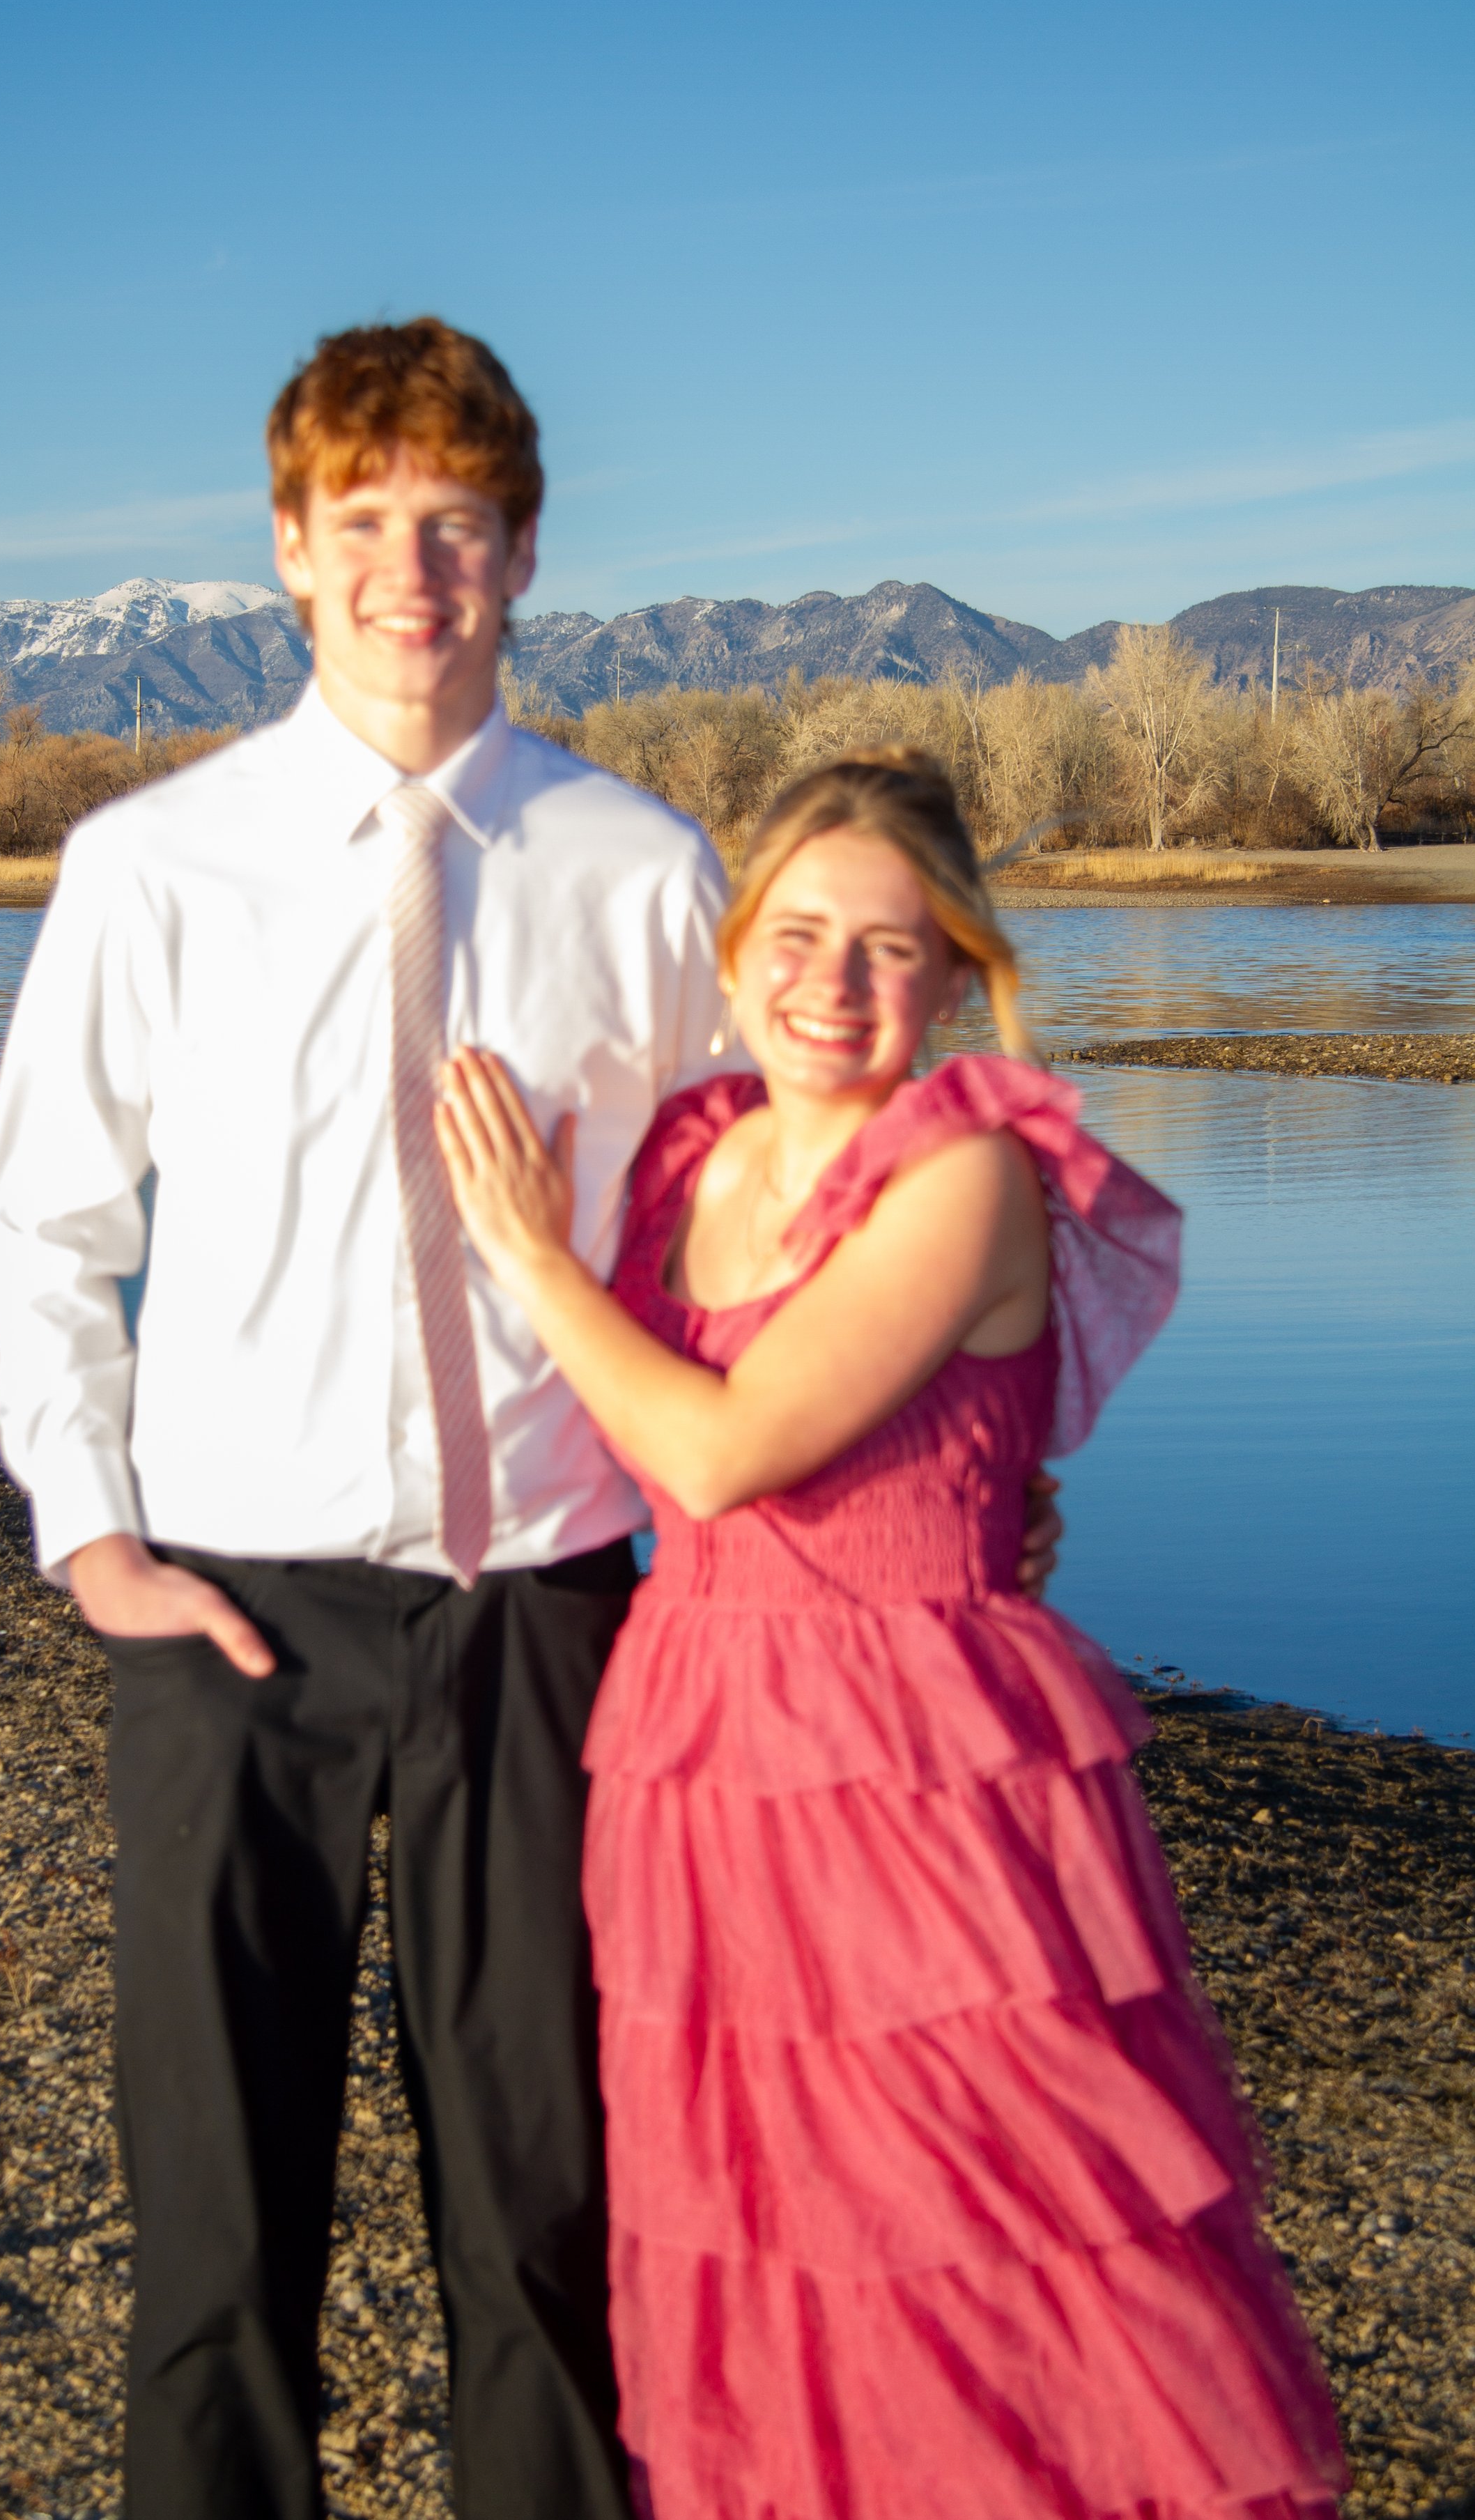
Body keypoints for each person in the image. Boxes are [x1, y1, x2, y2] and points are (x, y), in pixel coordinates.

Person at [0, 315, 1065, 2520]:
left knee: (548, 2216)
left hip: (554, 1618)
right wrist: (97, 1540)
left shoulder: (638, 867)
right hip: (232, 1615)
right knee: (215, 2217)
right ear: (286, 551)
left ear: (523, 550)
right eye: (362, 523)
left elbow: (772, 1203)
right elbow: (43, 1217)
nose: (411, 570)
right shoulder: (150, 862)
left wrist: (959, 1460)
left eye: (454, 524)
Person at [436, 748, 1345, 2520]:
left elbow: (712, 1446)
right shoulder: (695, 1151)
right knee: (765, 2204)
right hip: (694, 1734)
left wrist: (523, 1258)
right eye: (793, 935)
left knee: (973, 2188)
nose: (830, 986)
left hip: (916, 1754)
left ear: (953, 972)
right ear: (734, 947)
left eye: (887, 946)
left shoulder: (960, 1175)